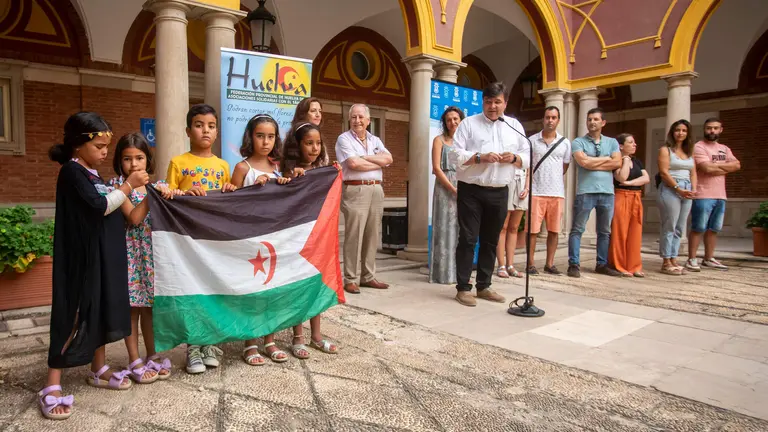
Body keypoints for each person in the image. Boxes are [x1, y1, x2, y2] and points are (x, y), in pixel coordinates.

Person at [42, 112, 149, 420]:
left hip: (100, 258)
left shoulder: (91, 173)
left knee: (98, 308)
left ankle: (98, 368)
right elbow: (101, 206)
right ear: (79, 144)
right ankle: (52, 384)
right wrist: (129, 185)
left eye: (107, 145)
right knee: (72, 312)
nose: (105, 151)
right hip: (81, 260)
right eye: (100, 145)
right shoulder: (72, 172)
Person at [166, 104, 236, 374]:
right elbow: (166, 199)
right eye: (198, 125)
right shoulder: (178, 163)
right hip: (187, 243)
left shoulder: (222, 165)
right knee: (193, 292)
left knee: (212, 291)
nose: (204, 130)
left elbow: (230, 202)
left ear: (217, 132)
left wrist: (230, 189)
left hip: (213, 242)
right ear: (188, 130)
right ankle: (193, 347)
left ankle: (209, 343)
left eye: (210, 126)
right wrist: (184, 194)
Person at [109, 133, 182, 385]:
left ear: (147, 159)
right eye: (127, 159)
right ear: (119, 162)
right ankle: (134, 358)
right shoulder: (117, 187)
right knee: (133, 310)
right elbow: (134, 218)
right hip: (130, 255)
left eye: (139, 158)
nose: (134, 164)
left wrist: (174, 194)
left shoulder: (158, 184)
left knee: (150, 309)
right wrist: (151, 195)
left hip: (153, 255)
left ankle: (153, 353)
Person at [449, 82, 529, 307]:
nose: (492, 106)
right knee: (468, 238)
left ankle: (484, 286)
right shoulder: (468, 124)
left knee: (491, 240)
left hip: (500, 191)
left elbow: (528, 155)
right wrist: (479, 157)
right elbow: (455, 154)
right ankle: (463, 288)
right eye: (488, 102)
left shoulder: (513, 126)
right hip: (471, 190)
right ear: (482, 102)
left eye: (497, 102)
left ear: (505, 103)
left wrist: (514, 158)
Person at [231, 114, 293, 365]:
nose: (265, 142)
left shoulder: (277, 168)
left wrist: (288, 182)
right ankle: (250, 343)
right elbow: (231, 203)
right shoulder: (242, 168)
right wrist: (252, 188)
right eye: (260, 136)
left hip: (274, 238)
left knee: (271, 291)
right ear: (250, 137)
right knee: (253, 292)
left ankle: (270, 340)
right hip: (250, 241)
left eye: (271, 137)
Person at [281, 122, 339, 358]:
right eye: (308, 143)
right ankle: (298, 337)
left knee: (316, 284)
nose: (314, 148)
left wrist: (332, 173)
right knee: (298, 286)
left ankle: (316, 335)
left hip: (318, 238)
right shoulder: (289, 171)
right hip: (297, 240)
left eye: (318, 143)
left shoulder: (322, 170)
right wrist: (294, 177)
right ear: (298, 146)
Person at [335, 104, 393, 294]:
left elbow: (389, 159)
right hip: (355, 189)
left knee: (372, 235)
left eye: (361, 117)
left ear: (368, 120)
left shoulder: (375, 139)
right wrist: (376, 161)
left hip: (376, 189)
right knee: (354, 235)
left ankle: (368, 277)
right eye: (353, 117)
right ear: (349, 119)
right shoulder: (343, 139)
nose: (357, 121)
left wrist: (364, 158)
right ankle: (350, 279)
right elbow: (353, 163)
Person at [567, 107, 623, 278]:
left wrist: (594, 161)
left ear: (603, 122)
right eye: (589, 119)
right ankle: (573, 264)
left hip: (607, 192)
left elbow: (617, 163)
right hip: (586, 191)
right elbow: (583, 163)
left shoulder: (612, 142)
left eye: (596, 119)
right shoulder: (578, 142)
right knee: (577, 229)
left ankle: (601, 264)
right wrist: (606, 159)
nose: (592, 122)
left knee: (604, 231)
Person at [686, 118, 741, 271]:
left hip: (720, 194)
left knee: (714, 229)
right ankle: (692, 259)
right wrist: (725, 168)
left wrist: (715, 166)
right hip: (703, 194)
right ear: (704, 129)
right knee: (699, 227)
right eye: (709, 128)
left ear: (721, 130)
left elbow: (737, 165)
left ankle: (709, 258)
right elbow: (706, 168)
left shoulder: (724, 148)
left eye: (716, 128)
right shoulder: (698, 147)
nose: (712, 131)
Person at [525, 107, 571, 275]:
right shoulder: (531, 140)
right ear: (543, 119)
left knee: (554, 230)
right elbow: (527, 166)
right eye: (547, 117)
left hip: (556, 192)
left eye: (554, 117)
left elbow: (564, 167)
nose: (550, 120)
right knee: (532, 231)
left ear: (558, 120)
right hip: (536, 191)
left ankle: (549, 264)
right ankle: (530, 264)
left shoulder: (565, 142)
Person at [429, 106, 465, 284]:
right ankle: (443, 274)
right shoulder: (439, 140)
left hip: (465, 186)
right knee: (445, 229)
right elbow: (436, 168)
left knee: (462, 230)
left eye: (456, 119)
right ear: (445, 123)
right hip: (445, 188)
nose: (453, 122)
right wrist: (453, 189)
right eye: (449, 119)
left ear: (461, 120)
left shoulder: (466, 142)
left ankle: (461, 273)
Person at [657, 119, 696, 275]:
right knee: (669, 225)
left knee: (680, 227)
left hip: (687, 189)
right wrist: (678, 188)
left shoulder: (689, 152)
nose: (681, 133)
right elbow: (664, 172)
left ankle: (674, 258)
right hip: (670, 188)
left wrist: (693, 188)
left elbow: (693, 172)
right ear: (672, 132)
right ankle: (666, 261)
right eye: (677, 130)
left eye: (684, 131)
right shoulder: (665, 150)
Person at [608, 133, 650, 277]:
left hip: (636, 197)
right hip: (621, 196)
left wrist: (631, 183)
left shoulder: (637, 161)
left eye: (634, 142)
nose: (634, 145)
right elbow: (621, 177)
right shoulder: (616, 161)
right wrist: (625, 159)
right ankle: (619, 265)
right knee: (620, 232)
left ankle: (634, 266)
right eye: (630, 142)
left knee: (635, 232)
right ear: (621, 146)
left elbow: (646, 178)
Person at [495, 165, 528, 278]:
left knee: (514, 227)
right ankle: (501, 265)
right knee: (502, 226)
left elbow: (529, 168)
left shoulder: (527, 147)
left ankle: (510, 265)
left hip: (522, 183)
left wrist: (527, 187)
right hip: (507, 181)